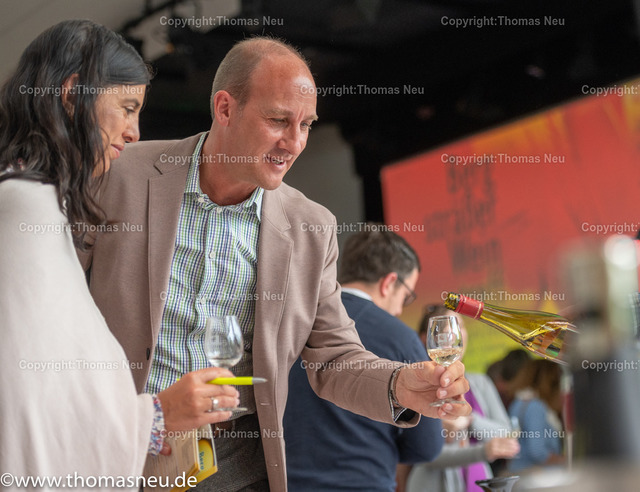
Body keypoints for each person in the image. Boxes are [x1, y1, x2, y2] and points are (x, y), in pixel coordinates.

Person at [81, 36, 471, 491]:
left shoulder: (312, 228)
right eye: (278, 120)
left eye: (306, 125)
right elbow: (54, 311)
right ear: (225, 109)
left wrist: (399, 384)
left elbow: (334, 356)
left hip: (236, 467)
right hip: (117, 452)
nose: (295, 142)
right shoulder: (116, 174)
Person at [0, 20, 238, 489]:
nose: (134, 132)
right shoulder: (23, 208)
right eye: (127, 109)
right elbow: (26, 401)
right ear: (73, 95)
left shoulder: (33, 201)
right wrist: (156, 415)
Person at [284, 229, 444, 492]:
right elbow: (426, 447)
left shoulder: (291, 322)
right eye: (406, 297)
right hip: (363, 483)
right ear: (389, 283)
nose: (399, 310)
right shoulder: (400, 337)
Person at [406, 306, 519, 492]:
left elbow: (506, 434)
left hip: (479, 483)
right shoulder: (419, 388)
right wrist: (483, 451)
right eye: (450, 328)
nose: (458, 333)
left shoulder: (480, 383)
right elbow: (425, 453)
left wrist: (470, 420)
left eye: (461, 326)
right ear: (427, 339)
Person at [507, 359, 564, 473]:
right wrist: (564, 461)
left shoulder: (517, 403)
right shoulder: (536, 407)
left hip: (518, 471)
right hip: (540, 475)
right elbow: (538, 452)